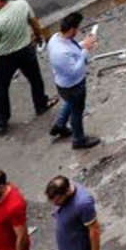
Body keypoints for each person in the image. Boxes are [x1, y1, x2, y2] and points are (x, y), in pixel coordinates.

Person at [0, 0, 52, 136]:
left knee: (1, 88)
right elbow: (34, 22)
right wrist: (38, 36)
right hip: (26, 50)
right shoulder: (22, 4)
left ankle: (2, 121)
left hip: (6, 57)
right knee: (35, 79)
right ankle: (41, 105)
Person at [46, 10, 101, 149]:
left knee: (70, 103)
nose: (77, 31)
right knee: (77, 112)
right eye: (76, 28)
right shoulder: (61, 52)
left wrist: (85, 43)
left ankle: (60, 124)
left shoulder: (56, 38)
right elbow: (75, 70)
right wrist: (86, 50)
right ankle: (79, 139)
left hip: (64, 84)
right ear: (71, 29)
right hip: (73, 85)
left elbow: (73, 48)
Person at [44, 175, 116, 250]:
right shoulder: (65, 188)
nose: (54, 204)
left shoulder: (83, 204)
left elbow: (94, 230)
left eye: (57, 201)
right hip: (63, 248)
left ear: (67, 192)